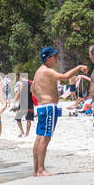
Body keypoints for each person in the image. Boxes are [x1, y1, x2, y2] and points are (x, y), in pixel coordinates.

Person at [31, 47, 87, 176]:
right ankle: (41, 169)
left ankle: (36, 170)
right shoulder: (47, 71)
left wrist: (41, 98)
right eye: (55, 56)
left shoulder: (38, 72)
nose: (56, 59)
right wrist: (78, 67)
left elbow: (33, 89)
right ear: (48, 58)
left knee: (39, 137)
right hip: (49, 107)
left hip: (42, 107)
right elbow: (64, 77)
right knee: (45, 138)